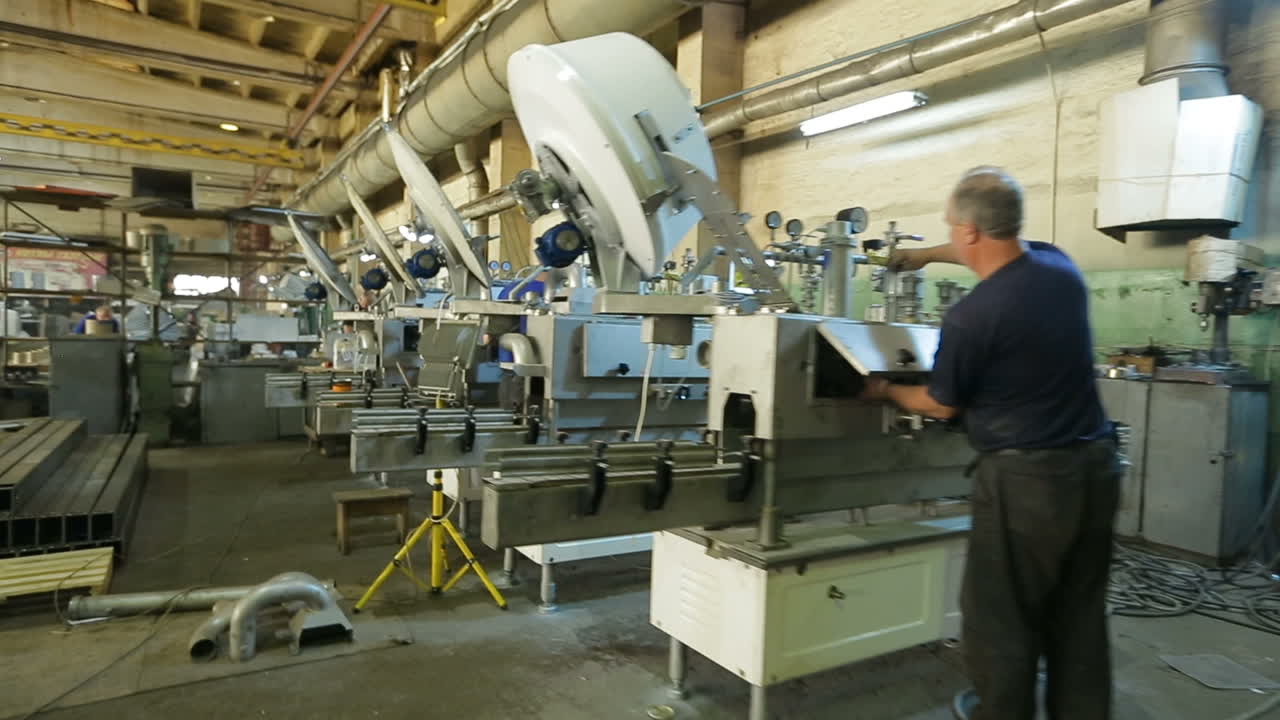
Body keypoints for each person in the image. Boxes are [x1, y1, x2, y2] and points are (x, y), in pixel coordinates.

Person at [862, 166, 1118, 720]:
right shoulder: (1058, 267)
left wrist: (886, 390)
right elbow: (996, 248)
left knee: (1001, 619)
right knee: (1078, 615)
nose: (951, 235)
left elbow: (943, 403)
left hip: (1027, 485)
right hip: (1096, 468)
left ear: (970, 231)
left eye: (952, 227)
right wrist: (925, 255)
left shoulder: (973, 317)